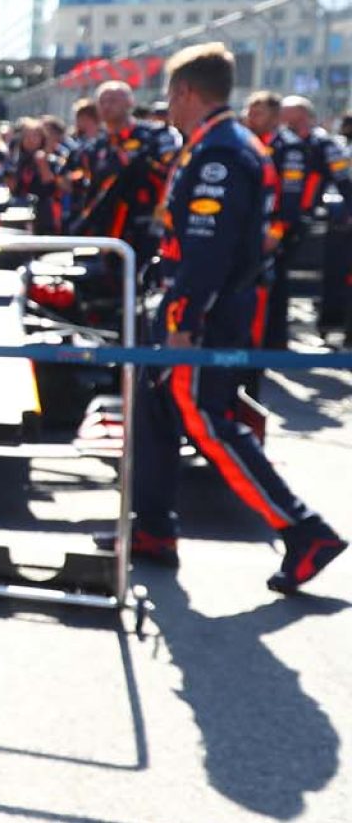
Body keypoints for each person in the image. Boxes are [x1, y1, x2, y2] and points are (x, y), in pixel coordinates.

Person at [124, 43, 344, 592]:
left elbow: (208, 252)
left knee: (207, 419)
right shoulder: (216, 144)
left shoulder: (220, 152)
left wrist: (182, 321)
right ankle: (152, 529)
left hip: (204, 316)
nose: (167, 108)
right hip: (191, 306)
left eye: (170, 97)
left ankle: (303, 529)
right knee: (154, 410)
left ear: (185, 93)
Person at [264, 95, 352, 350]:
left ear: (301, 116)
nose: (282, 120)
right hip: (273, 218)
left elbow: (344, 180)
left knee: (280, 278)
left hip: (298, 221)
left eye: (287, 115)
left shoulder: (325, 145)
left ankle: (279, 337)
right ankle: (272, 335)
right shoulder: (277, 142)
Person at [70, 79, 177, 261]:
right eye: (102, 101)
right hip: (104, 232)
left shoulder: (155, 136)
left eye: (113, 100)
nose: (107, 106)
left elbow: (169, 175)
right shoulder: (94, 147)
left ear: (130, 102)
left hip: (144, 228)